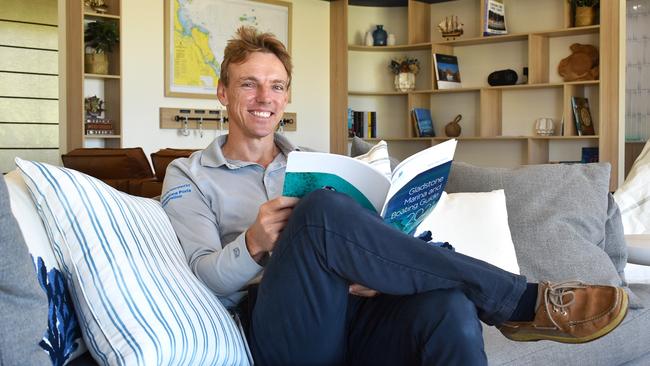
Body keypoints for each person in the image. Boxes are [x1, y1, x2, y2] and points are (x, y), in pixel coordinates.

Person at [162, 26, 628, 365]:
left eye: (276, 86)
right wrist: (254, 243)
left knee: (448, 305)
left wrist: (371, 267)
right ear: (223, 93)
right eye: (249, 83)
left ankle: (485, 294)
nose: (265, 96)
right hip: (281, 327)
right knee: (321, 209)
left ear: (286, 97)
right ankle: (517, 299)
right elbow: (201, 278)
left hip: (356, 311)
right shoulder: (191, 174)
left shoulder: (315, 162)